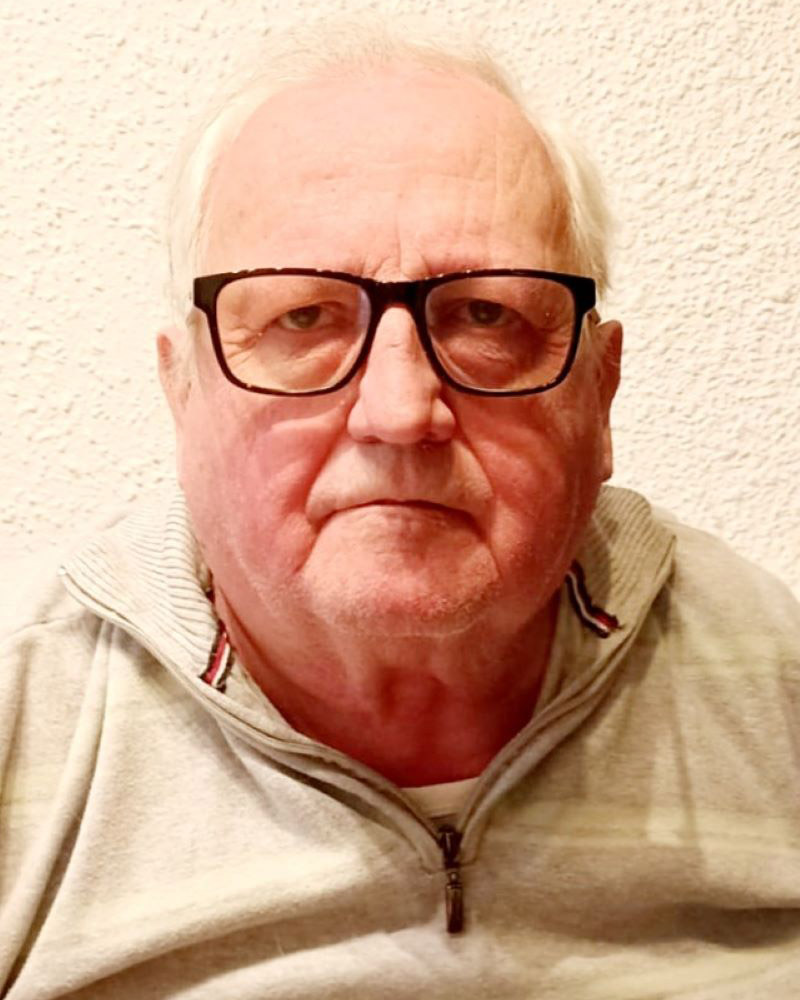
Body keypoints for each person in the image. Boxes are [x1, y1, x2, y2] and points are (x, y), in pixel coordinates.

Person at [2, 24, 800, 1000]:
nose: (399, 411)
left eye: (486, 315)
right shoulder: (25, 710)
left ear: (599, 391)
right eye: (301, 317)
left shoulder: (768, 670)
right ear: (183, 389)